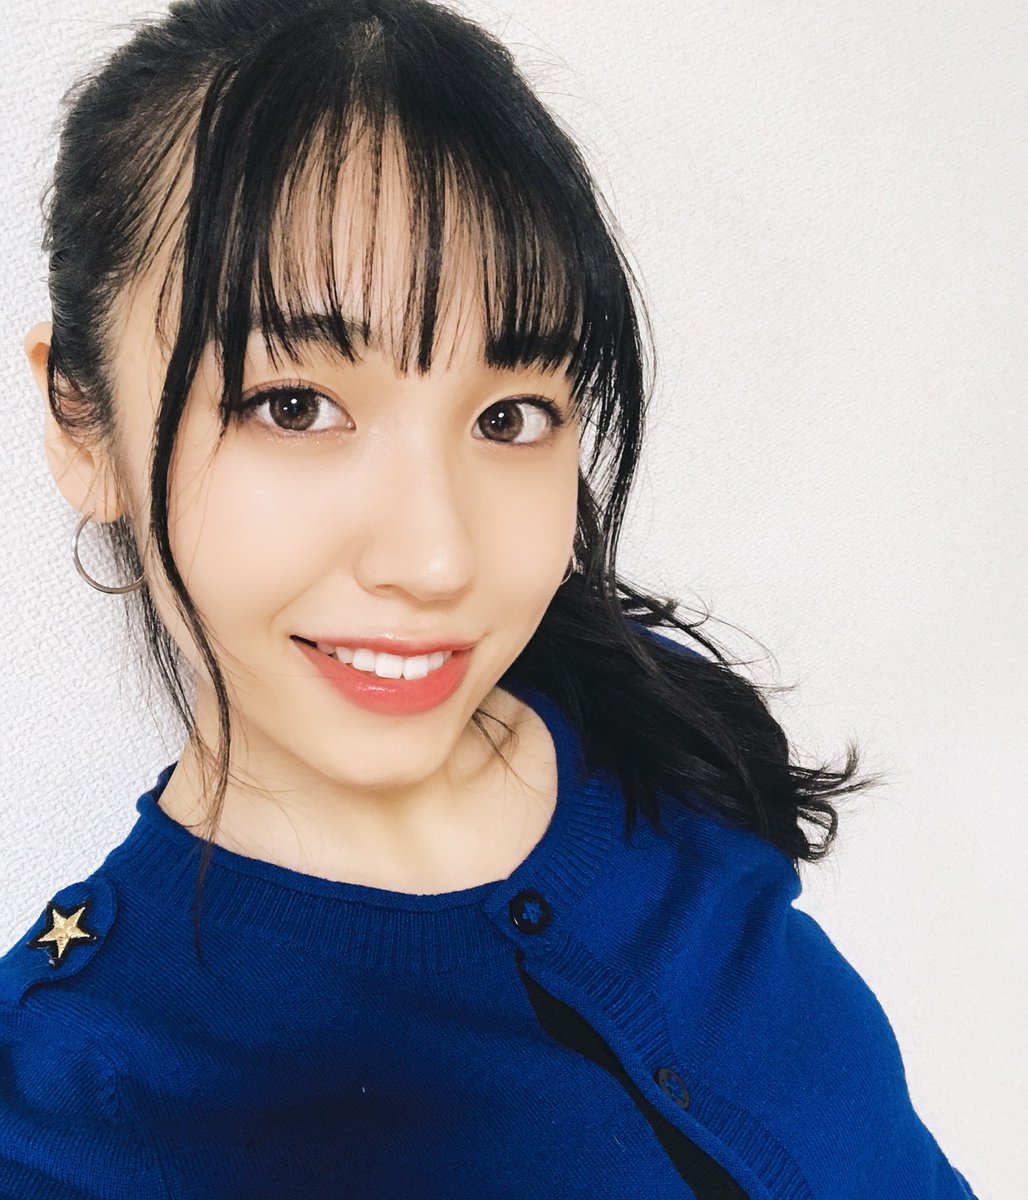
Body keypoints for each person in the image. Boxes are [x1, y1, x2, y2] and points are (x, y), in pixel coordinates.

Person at [0, 1, 978, 1196]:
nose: (437, 560)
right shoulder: (70, 1111)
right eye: (294, 405)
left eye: (509, 415)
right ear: (80, 419)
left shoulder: (645, 718)